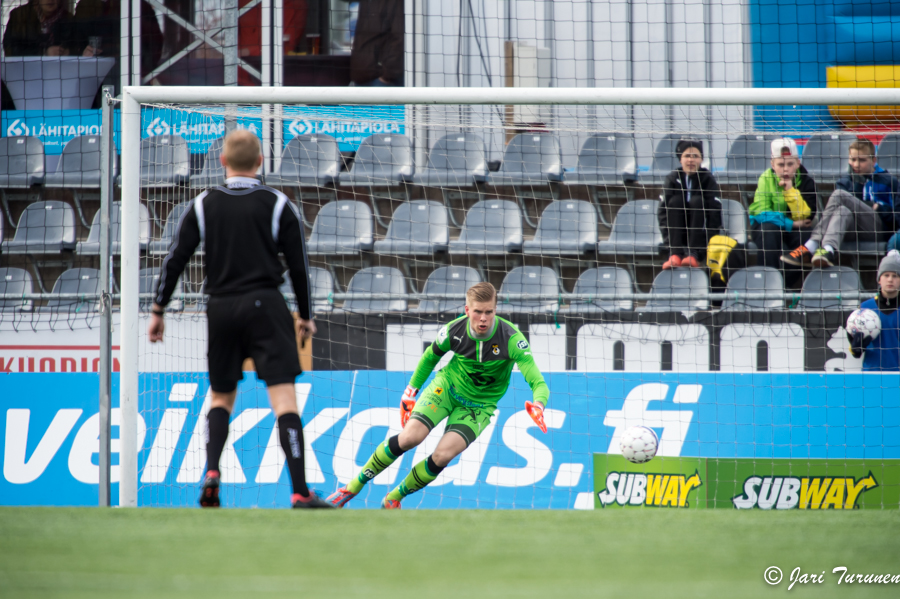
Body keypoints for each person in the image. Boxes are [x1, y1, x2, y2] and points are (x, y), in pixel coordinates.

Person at [148, 130, 332, 509]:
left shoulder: (202, 204)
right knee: (284, 400)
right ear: (261, 162)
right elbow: (300, 265)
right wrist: (306, 317)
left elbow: (175, 258)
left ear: (222, 162)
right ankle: (299, 491)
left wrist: (159, 310)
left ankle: (213, 471)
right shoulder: (278, 204)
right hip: (267, 305)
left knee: (220, 396)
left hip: (221, 308)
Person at [327, 282, 550, 509]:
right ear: (467, 310)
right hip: (446, 389)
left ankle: (395, 497)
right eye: (478, 312)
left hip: (479, 407)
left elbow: (538, 382)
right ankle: (351, 487)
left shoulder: (512, 339)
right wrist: (410, 393)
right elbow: (429, 357)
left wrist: (539, 405)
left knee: (442, 456)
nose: (483, 318)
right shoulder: (454, 330)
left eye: (489, 312)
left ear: (496, 310)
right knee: (409, 438)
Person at [782, 138, 900, 268]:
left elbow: (896, 219)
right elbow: (850, 205)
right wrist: (858, 186)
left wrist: (878, 208)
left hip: (879, 230)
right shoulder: (845, 181)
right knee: (842, 211)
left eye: (862, 160)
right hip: (849, 229)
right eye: (853, 160)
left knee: (839, 195)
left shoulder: (889, 181)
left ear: (873, 160)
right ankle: (828, 250)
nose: (856, 165)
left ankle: (811, 244)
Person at [747, 138, 817, 284]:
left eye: (790, 164)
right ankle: (767, 282)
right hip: (766, 228)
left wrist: (790, 191)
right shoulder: (765, 179)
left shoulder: (807, 182)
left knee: (807, 236)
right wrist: (791, 224)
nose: (785, 169)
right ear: (772, 164)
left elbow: (806, 216)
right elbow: (762, 214)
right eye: (780, 165)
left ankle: (786, 284)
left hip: (791, 231)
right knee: (769, 230)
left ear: (798, 163)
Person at [73, 0, 163, 101]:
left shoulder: (137, 5)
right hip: (93, 74)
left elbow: (155, 43)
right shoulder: (86, 5)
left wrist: (144, 68)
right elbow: (76, 42)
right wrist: (82, 54)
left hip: (129, 73)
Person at [658, 139, 723, 269]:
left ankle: (694, 254)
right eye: (687, 156)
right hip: (677, 232)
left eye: (695, 156)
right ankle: (675, 254)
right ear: (680, 159)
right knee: (675, 201)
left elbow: (714, 215)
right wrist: (668, 243)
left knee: (697, 201)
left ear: (701, 159)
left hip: (700, 233)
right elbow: (663, 213)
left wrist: (708, 242)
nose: (691, 160)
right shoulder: (672, 178)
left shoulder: (708, 179)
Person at [848, 250, 900, 372]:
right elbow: (856, 352)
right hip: (872, 376)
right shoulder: (864, 309)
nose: (890, 280)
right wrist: (855, 348)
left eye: (895, 275)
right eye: (886, 275)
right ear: (879, 279)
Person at [345, 0, 403, 86]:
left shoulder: (394, 3)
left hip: (380, 80)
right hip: (362, 76)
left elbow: (399, 38)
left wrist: (387, 75)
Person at [3, 0, 78, 57]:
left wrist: (68, 52)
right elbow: (10, 50)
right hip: (26, 71)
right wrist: (44, 53)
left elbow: (77, 48)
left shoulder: (68, 18)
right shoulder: (19, 16)